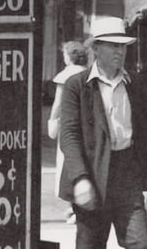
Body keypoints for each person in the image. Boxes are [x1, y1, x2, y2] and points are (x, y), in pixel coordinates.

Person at [58, 16, 147, 249]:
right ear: (96, 48)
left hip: (127, 175)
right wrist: (80, 178)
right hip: (92, 174)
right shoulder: (77, 86)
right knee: (90, 244)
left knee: (141, 243)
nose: (119, 51)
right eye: (113, 45)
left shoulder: (135, 84)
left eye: (122, 46)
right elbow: (69, 135)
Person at [49, 40, 89, 223]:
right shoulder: (88, 73)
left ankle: (73, 206)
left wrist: (51, 121)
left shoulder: (65, 76)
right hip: (86, 128)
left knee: (67, 164)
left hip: (69, 126)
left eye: (65, 53)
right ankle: (76, 206)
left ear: (70, 56)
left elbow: (58, 103)